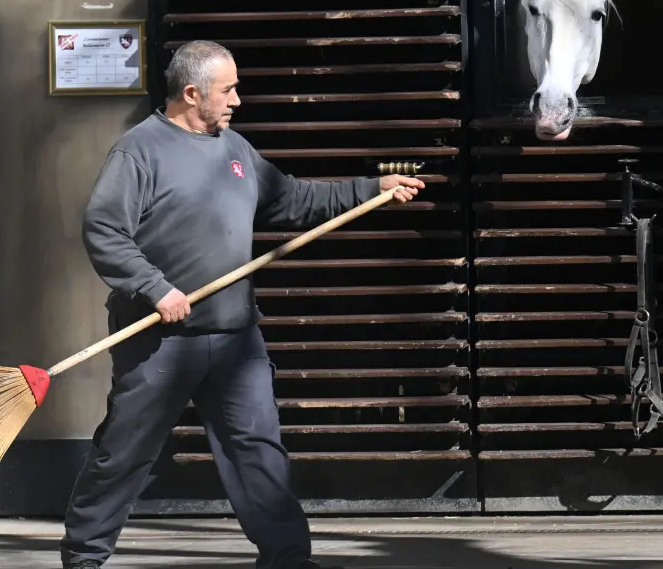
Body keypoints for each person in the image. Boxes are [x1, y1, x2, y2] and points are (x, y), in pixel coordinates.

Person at [59, 40, 425, 569]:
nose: (237, 100)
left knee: (257, 452)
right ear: (192, 92)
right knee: (124, 453)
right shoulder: (138, 151)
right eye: (227, 89)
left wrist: (372, 188)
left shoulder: (235, 150)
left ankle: (287, 558)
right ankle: (83, 557)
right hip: (160, 341)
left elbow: (294, 200)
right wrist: (155, 288)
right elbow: (105, 230)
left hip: (235, 336)